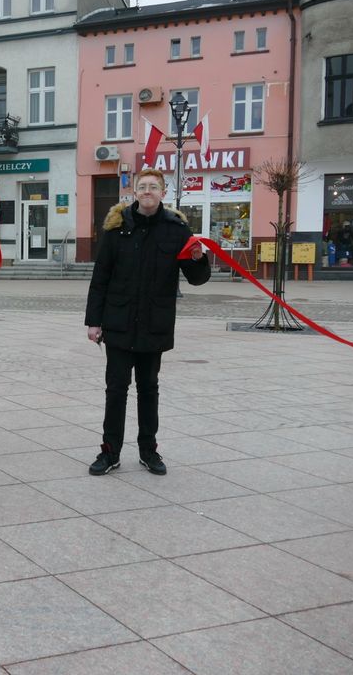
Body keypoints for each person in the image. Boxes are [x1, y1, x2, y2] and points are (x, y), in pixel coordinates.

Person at [85, 169, 210, 476]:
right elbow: (100, 278)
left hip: (154, 324)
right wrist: (94, 321)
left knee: (148, 389)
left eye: (154, 187)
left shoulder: (176, 230)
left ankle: (148, 450)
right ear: (135, 193)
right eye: (142, 187)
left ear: (163, 193)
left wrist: (198, 258)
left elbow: (196, 279)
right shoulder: (117, 228)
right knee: (115, 390)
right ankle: (109, 452)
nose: (147, 191)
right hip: (118, 322)